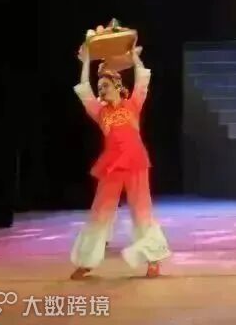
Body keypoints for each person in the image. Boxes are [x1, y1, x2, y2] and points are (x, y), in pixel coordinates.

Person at [70, 45, 171, 279]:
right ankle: (86, 261)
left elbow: (142, 80)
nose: (101, 90)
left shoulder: (133, 105)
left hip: (135, 161)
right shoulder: (100, 112)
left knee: (142, 211)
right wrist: (86, 62)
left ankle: (153, 260)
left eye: (105, 86)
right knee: (100, 212)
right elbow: (85, 90)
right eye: (100, 87)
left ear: (117, 86)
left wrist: (134, 57)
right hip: (111, 165)